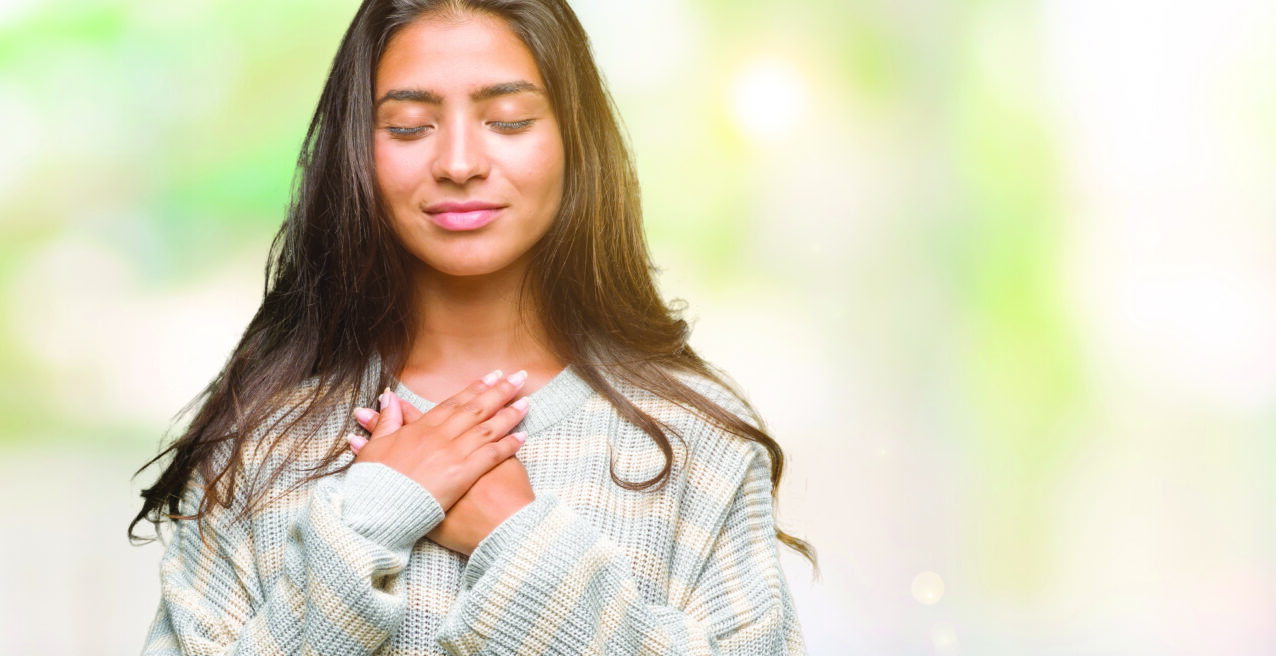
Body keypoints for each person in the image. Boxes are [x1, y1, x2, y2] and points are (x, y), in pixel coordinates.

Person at [131, 0, 813, 653]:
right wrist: (367, 519)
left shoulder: (696, 444)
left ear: (577, 141)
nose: (459, 164)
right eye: (408, 126)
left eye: (509, 120)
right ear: (356, 151)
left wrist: (520, 542)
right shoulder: (263, 446)